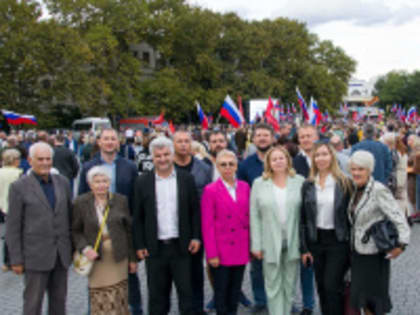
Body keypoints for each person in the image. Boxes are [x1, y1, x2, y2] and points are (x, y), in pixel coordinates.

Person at [133, 136, 201, 315]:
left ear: (172, 155)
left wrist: (195, 236)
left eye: (165, 154)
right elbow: (137, 217)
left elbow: (195, 211)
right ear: (152, 158)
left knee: (187, 297)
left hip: (182, 247)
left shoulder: (186, 179)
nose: (162, 159)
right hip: (155, 250)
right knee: (157, 299)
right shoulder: (142, 182)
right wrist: (139, 245)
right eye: (158, 156)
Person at [78, 128, 142, 315]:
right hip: (97, 231)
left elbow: (135, 199)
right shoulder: (88, 167)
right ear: (99, 142)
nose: (109, 142)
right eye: (106, 139)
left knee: (130, 275)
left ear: (119, 142)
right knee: (97, 276)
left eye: (113, 139)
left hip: (123, 230)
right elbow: (82, 199)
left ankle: (134, 309)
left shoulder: (129, 167)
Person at [6, 142, 73, 315]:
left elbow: (69, 217)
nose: (45, 163)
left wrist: (72, 249)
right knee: (32, 304)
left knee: (59, 303)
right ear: (29, 160)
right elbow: (13, 226)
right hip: (34, 257)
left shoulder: (63, 182)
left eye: (48, 159)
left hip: (60, 255)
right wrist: (15, 259)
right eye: (40, 159)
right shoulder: (19, 187)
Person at [348, 150, 410, 315]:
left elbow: (398, 217)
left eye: (360, 169)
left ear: (369, 170)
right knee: (363, 299)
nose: (356, 173)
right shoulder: (355, 188)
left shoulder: (378, 190)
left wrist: (402, 245)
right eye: (353, 169)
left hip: (375, 255)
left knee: (374, 301)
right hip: (359, 253)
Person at [72, 166, 137, 315]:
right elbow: (75, 230)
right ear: (90, 184)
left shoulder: (120, 200)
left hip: (118, 257)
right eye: (97, 182)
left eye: (104, 181)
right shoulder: (81, 203)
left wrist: (132, 259)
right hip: (96, 259)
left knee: (120, 296)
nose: (101, 185)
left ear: (109, 183)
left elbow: (128, 231)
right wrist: (85, 248)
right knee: (100, 297)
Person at [250, 146, 305, 315]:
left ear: (288, 160)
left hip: (293, 240)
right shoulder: (259, 183)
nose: (278, 161)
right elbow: (255, 216)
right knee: (273, 284)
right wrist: (256, 245)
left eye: (281, 158)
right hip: (269, 241)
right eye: (274, 159)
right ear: (268, 163)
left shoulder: (300, 181)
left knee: (289, 284)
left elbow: (305, 216)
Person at [300, 142, 353, 315]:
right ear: (313, 159)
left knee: (332, 286)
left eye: (324, 154)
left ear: (332, 156)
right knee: (321, 287)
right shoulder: (308, 185)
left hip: (338, 241)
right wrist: (304, 248)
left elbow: (351, 217)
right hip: (316, 241)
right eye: (317, 155)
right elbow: (303, 218)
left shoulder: (344, 183)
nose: (321, 158)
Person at [201, 149, 250, 315]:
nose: (227, 168)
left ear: (237, 166)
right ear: (217, 166)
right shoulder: (210, 190)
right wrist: (211, 254)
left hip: (240, 247)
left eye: (231, 164)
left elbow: (248, 219)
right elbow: (207, 225)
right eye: (223, 164)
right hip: (221, 250)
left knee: (235, 291)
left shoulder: (245, 187)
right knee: (221, 293)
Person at [237, 123, 276, 312]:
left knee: (281, 263)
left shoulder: (281, 160)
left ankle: (281, 297)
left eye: (265, 135)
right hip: (256, 222)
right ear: (253, 139)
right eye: (258, 135)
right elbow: (241, 193)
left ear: (272, 138)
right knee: (257, 265)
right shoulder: (245, 165)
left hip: (280, 220)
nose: (262, 138)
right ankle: (260, 300)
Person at [173, 130, 212, 314]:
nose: (183, 145)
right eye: (179, 141)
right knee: (177, 273)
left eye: (186, 141)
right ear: (173, 144)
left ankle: (198, 308)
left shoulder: (204, 168)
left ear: (192, 144)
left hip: (197, 227)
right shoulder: (167, 168)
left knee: (196, 272)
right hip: (172, 228)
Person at [293, 124, 319, 315]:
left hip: (325, 219)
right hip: (302, 220)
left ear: (316, 136)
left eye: (309, 136)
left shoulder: (325, 157)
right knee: (306, 265)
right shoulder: (293, 162)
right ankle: (308, 304)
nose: (306, 139)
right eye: (302, 137)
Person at [0, 149, 22, 271]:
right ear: (14, 160)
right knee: (16, 234)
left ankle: (6, 261)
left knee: (9, 234)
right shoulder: (18, 173)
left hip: (4, 206)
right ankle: (16, 259)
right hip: (16, 206)